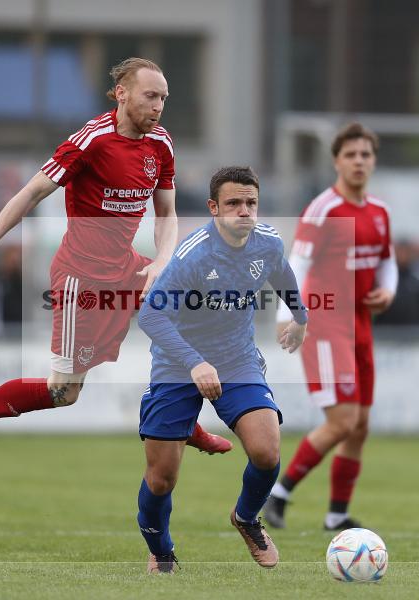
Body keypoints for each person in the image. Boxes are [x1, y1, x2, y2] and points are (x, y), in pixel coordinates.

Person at [0, 57, 230, 469]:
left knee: (191, 319)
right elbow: (30, 193)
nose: (158, 106)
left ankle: (181, 423)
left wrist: (162, 262)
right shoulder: (91, 141)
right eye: (150, 96)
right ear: (121, 93)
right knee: (62, 393)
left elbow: (167, 214)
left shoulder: (161, 144)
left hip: (127, 267)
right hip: (80, 279)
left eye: (164, 99)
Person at [135, 166, 308, 573]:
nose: (243, 211)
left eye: (250, 203)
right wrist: (194, 362)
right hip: (179, 363)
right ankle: (161, 549)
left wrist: (299, 316)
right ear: (214, 208)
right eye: (233, 203)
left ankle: (246, 517)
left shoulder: (267, 242)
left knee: (266, 451)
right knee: (161, 478)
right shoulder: (192, 254)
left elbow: (281, 273)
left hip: (236, 359)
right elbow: (150, 317)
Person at [264, 123, 397, 531]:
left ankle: (336, 514)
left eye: (366, 155)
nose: (359, 161)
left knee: (360, 426)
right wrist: (288, 316)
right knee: (342, 422)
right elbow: (297, 264)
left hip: (359, 325)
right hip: (323, 324)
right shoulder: (323, 209)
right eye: (351, 154)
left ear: (373, 161)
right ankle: (277, 495)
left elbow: (387, 261)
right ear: (337, 160)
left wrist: (388, 291)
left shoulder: (380, 212)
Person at [375, 239, 419, 326]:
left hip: (415, 331)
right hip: (388, 329)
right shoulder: (387, 273)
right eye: (400, 251)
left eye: (406, 251)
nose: (403, 255)